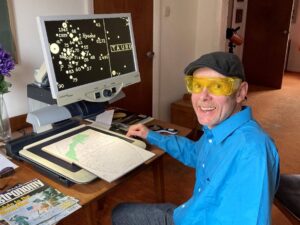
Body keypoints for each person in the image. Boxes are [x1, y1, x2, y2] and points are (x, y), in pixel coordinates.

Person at [112, 51, 280, 225]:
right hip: (191, 213)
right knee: (121, 213)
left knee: (120, 215)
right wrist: (151, 135)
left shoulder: (252, 151)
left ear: (240, 92)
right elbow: (195, 153)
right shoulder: (217, 128)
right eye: (197, 85)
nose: (203, 96)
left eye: (217, 86)